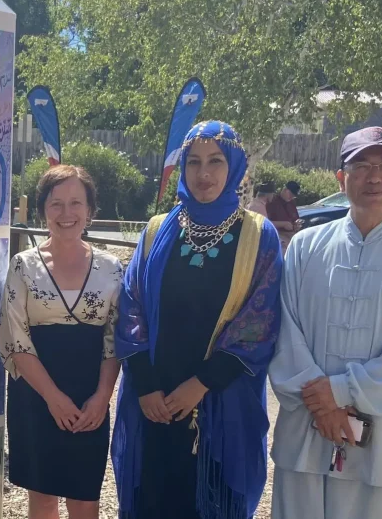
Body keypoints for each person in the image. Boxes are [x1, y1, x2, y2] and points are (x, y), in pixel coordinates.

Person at [112, 121, 283, 519]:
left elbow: (258, 322)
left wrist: (201, 384)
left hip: (220, 404)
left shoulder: (259, 236)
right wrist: (146, 385)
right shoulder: (158, 230)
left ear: (236, 166)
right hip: (153, 402)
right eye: (193, 162)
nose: (203, 173)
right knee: (153, 498)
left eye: (216, 161)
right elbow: (131, 305)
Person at [268, 127, 382, 519]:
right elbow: (284, 329)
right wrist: (323, 407)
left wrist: (341, 391)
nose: (374, 177)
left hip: (381, 440)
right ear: (341, 178)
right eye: (361, 166)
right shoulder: (305, 246)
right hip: (307, 430)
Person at [0, 165, 122, 519]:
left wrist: (102, 397)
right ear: (42, 210)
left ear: (90, 210)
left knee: (85, 498)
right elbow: (16, 337)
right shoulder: (23, 266)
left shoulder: (111, 268)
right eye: (56, 204)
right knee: (43, 496)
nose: (66, 214)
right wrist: (53, 398)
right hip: (36, 396)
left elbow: (115, 341)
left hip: (90, 395)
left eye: (75, 203)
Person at [267, 180, 302, 250]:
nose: (292, 197)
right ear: (285, 190)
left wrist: (296, 225)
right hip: (278, 234)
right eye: (291, 195)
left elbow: (295, 219)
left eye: (294, 196)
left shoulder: (291, 203)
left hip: (292, 234)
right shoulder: (272, 201)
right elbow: (266, 223)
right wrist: (283, 224)